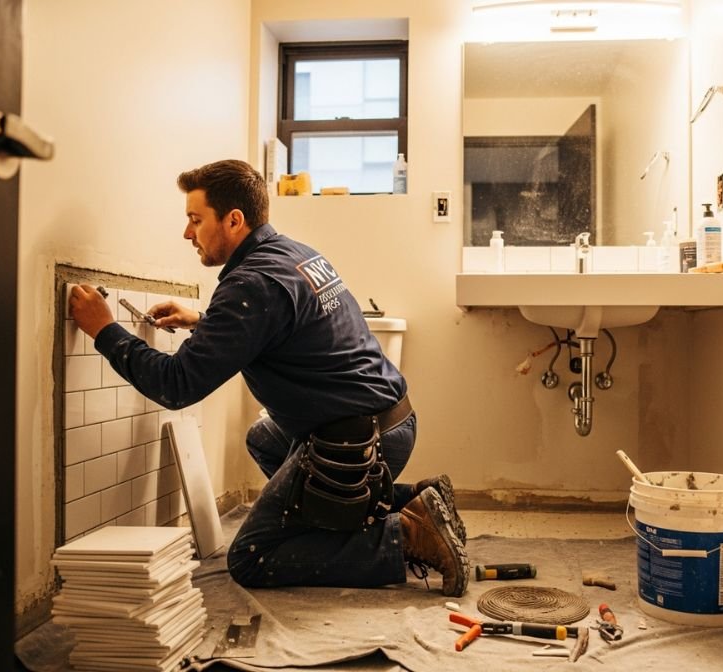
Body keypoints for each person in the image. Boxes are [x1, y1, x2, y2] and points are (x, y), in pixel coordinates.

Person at [69, 159, 469, 597]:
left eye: (196, 220)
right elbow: (281, 325)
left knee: (252, 557)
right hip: (391, 421)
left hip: (357, 442)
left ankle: (407, 535)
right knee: (264, 438)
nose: (187, 233)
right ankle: (414, 500)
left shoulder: (251, 283)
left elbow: (176, 384)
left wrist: (104, 330)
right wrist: (203, 320)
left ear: (233, 220)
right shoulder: (294, 255)